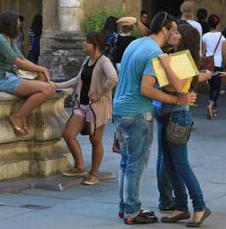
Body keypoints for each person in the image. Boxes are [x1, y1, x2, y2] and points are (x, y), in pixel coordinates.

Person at [113, 12, 196, 225]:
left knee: (125, 162)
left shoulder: (136, 43)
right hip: (138, 112)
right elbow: (146, 89)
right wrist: (176, 100)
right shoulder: (154, 52)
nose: (175, 34)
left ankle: (125, 207)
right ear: (165, 30)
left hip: (120, 108)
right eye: (174, 30)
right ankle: (132, 211)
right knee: (135, 164)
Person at [156, 24, 213, 227]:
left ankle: (199, 206)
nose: (172, 34)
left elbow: (181, 87)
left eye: (177, 32)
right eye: (172, 31)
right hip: (165, 114)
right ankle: (180, 206)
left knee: (181, 165)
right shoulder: (172, 55)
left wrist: (166, 64)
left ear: (185, 38)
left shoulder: (184, 60)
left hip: (178, 117)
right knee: (170, 165)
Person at [58, 31, 117, 185]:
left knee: (95, 140)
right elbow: (77, 80)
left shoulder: (103, 61)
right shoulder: (87, 60)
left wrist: (100, 95)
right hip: (82, 105)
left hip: (97, 108)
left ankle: (94, 174)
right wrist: (55, 85)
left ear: (96, 45)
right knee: (68, 134)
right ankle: (80, 166)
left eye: (87, 42)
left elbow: (113, 78)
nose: (84, 44)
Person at [0, 10, 55, 136]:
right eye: (18, 23)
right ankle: (17, 117)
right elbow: (18, 62)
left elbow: (23, 59)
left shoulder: (8, 39)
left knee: (51, 87)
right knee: (46, 89)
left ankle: (22, 116)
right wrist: (41, 69)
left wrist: (37, 70)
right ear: (10, 24)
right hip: (1, 80)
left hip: (10, 77)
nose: (19, 26)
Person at [202, 14, 226, 118]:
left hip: (208, 64)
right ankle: (211, 103)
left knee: (212, 86)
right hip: (218, 64)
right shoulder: (222, 37)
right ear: (218, 24)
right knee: (216, 87)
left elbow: (203, 52)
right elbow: (224, 54)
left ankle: (214, 109)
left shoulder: (205, 36)